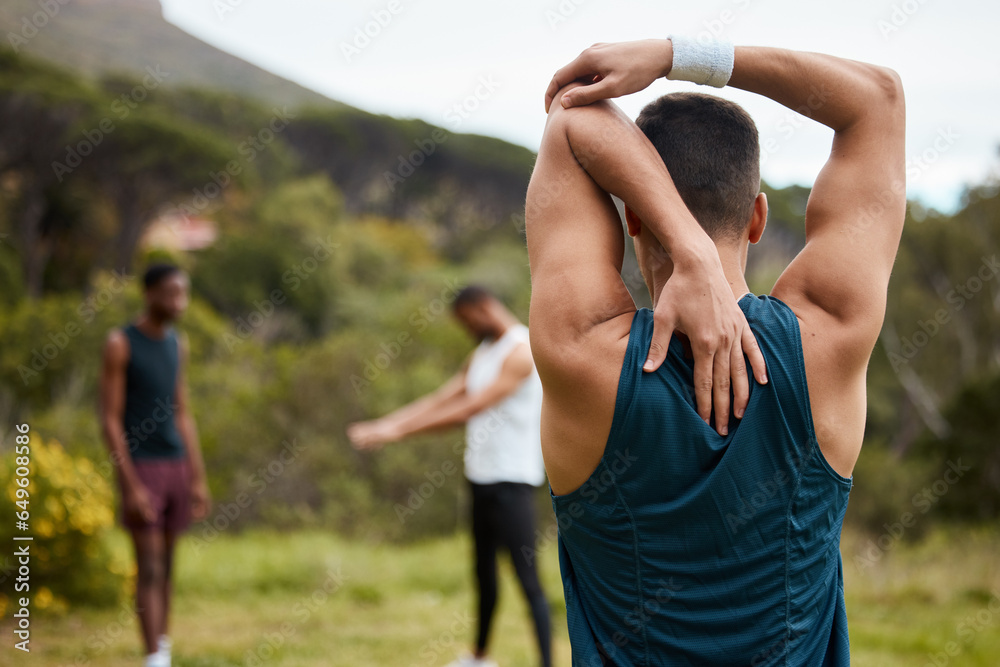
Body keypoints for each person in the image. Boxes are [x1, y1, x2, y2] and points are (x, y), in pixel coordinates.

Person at [526, 36, 904, 664]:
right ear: (758, 217)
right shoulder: (830, 334)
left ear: (634, 218)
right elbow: (878, 101)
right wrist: (678, 55)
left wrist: (686, 246)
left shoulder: (581, 351)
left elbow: (571, 119)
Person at [347, 285, 552, 667]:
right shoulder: (483, 353)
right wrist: (386, 424)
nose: (466, 328)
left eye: (466, 320)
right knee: (483, 574)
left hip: (514, 480)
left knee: (528, 580)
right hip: (481, 477)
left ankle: (546, 662)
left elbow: (467, 409)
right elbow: (444, 397)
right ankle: (479, 657)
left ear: (483, 308)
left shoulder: (522, 351)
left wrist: (398, 433)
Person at [99, 263, 212, 667]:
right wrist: (128, 484)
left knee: (168, 567)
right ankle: (153, 658)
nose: (179, 301)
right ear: (149, 294)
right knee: (147, 565)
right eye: (171, 293)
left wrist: (197, 477)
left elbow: (183, 412)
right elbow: (109, 419)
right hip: (141, 466)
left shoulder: (177, 344)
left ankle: (162, 649)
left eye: (184, 293)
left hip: (175, 464)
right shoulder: (120, 343)